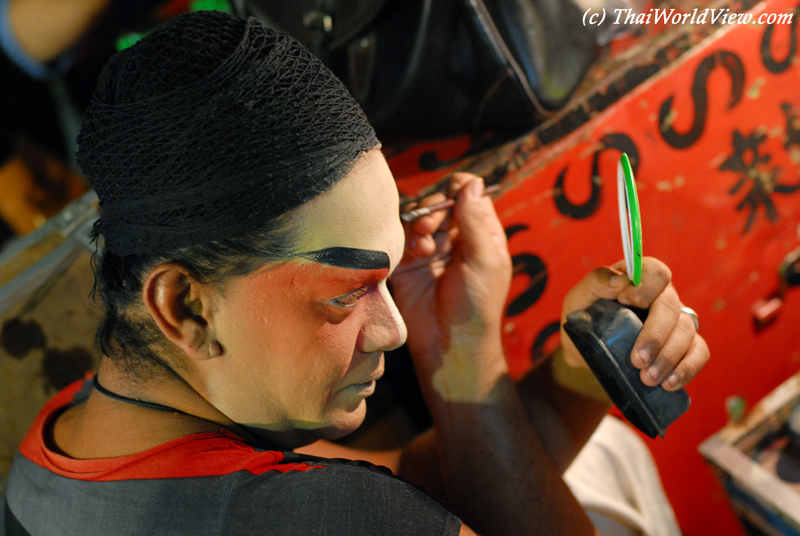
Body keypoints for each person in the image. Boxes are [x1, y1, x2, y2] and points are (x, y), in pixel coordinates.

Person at [3, 10, 709, 536]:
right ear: (185, 306)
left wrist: (497, 358)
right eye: (348, 292)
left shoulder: (72, 433)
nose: (396, 329)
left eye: (391, 275)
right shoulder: (331, 518)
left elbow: (417, 486)